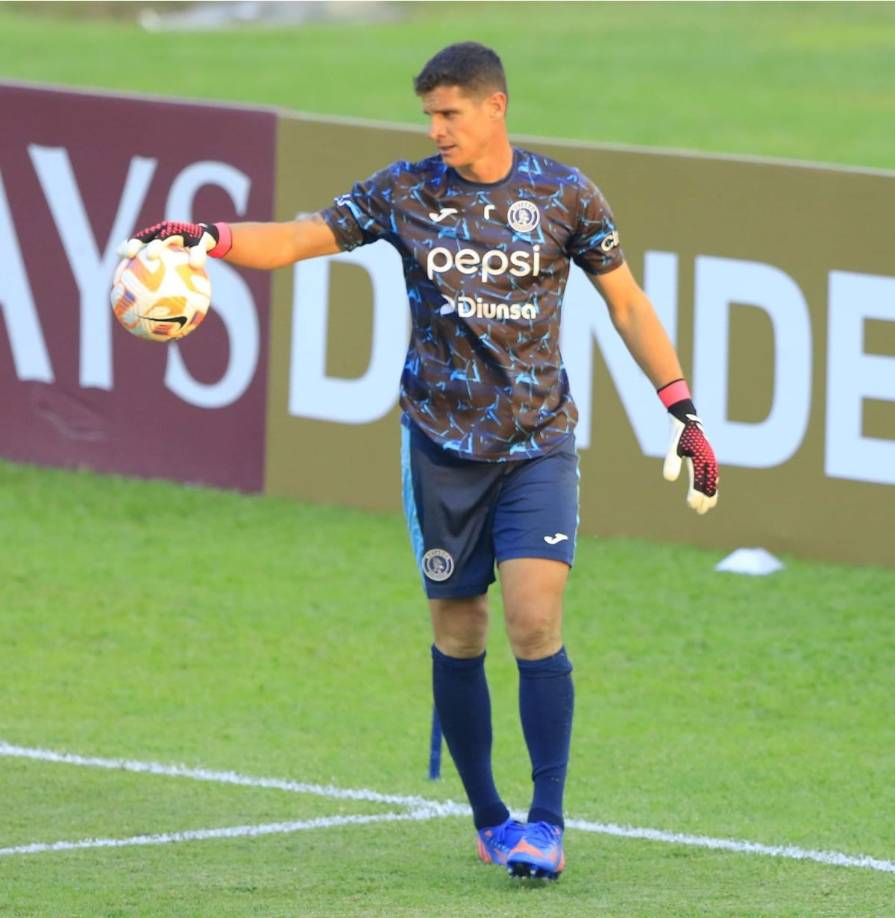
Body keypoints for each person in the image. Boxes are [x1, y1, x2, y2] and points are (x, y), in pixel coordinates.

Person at [121, 41, 718, 880]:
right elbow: (297, 240)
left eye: (450, 114)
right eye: (429, 115)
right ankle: (488, 816)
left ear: (494, 107)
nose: (436, 130)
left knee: (534, 620)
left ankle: (545, 823)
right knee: (460, 630)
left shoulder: (562, 194)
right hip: (440, 451)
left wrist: (682, 409)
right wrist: (209, 237)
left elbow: (625, 303)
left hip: (537, 443)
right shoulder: (404, 192)